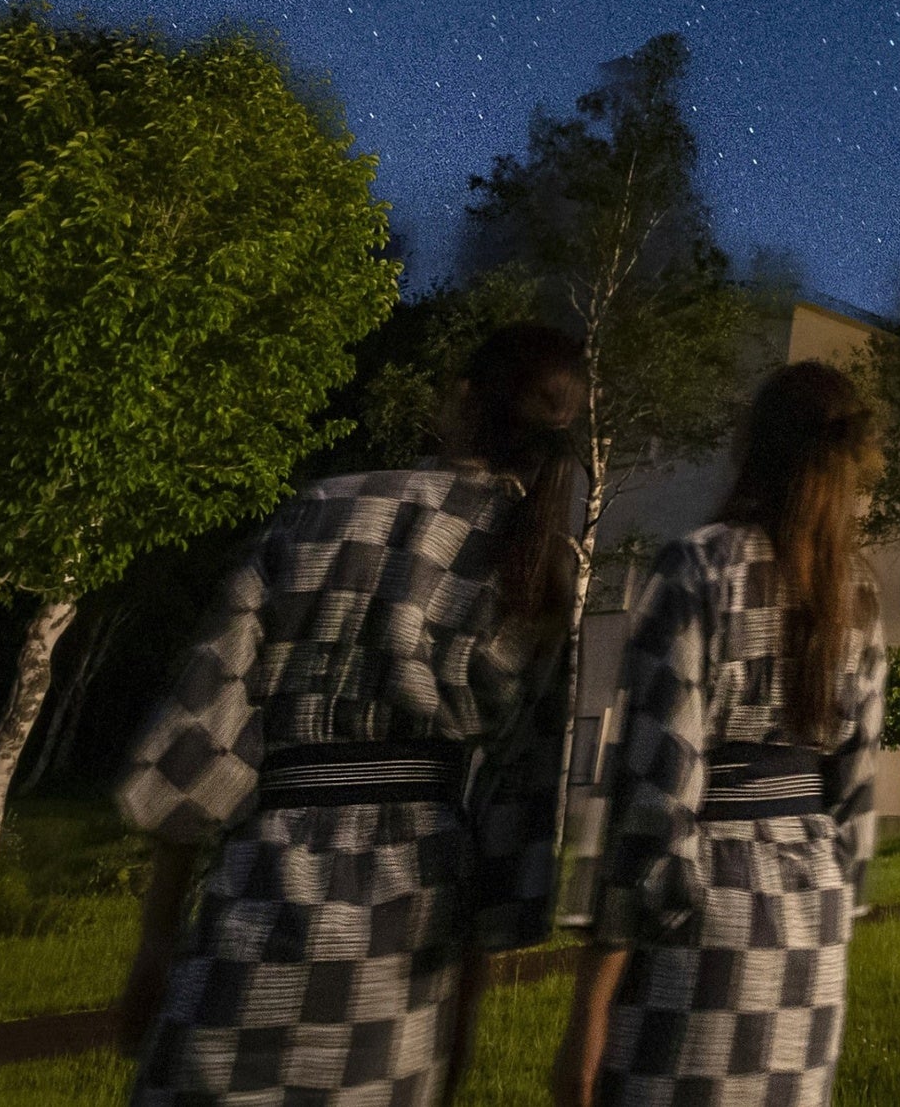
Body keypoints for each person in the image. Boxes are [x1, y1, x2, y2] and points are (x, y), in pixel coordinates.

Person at [113, 322, 589, 1107]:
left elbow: (203, 728)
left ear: (462, 402)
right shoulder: (540, 563)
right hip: (408, 932)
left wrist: (156, 944)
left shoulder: (323, 508)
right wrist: (461, 1018)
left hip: (260, 895)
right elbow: (513, 812)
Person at [554, 360, 888, 1107]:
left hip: (706, 912)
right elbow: (856, 796)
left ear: (755, 449)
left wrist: (588, 1012)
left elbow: (651, 793)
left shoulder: (701, 567)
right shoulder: (858, 593)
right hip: (815, 923)